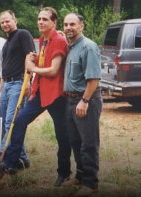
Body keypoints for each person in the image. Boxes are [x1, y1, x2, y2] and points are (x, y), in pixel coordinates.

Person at [0, 7, 72, 186]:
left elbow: (54, 70)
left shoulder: (58, 40)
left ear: (54, 22)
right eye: (39, 19)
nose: (41, 22)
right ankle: (12, 162)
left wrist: (33, 68)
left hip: (56, 94)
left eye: (45, 19)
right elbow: (41, 64)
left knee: (62, 135)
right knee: (19, 121)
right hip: (40, 92)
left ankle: (64, 173)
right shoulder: (42, 41)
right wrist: (33, 62)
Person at [61, 13, 102, 197]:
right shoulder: (70, 47)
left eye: (72, 24)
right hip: (69, 100)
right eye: (66, 24)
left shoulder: (88, 47)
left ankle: (91, 183)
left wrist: (84, 101)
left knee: (89, 142)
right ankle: (80, 175)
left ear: (81, 26)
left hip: (86, 100)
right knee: (75, 141)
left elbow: (93, 78)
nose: (68, 27)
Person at [0, 10, 35, 170]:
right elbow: (4, 68)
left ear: (15, 20)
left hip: (18, 83)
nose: (5, 24)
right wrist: (0, 90)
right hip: (7, 85)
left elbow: (30, 56)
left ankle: (4, 157)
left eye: (7, 21)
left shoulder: (23, 34)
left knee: (11, 122)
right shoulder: (7, 42)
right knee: (8, 124)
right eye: (2, 22)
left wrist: (27, 81)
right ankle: (22, 158)